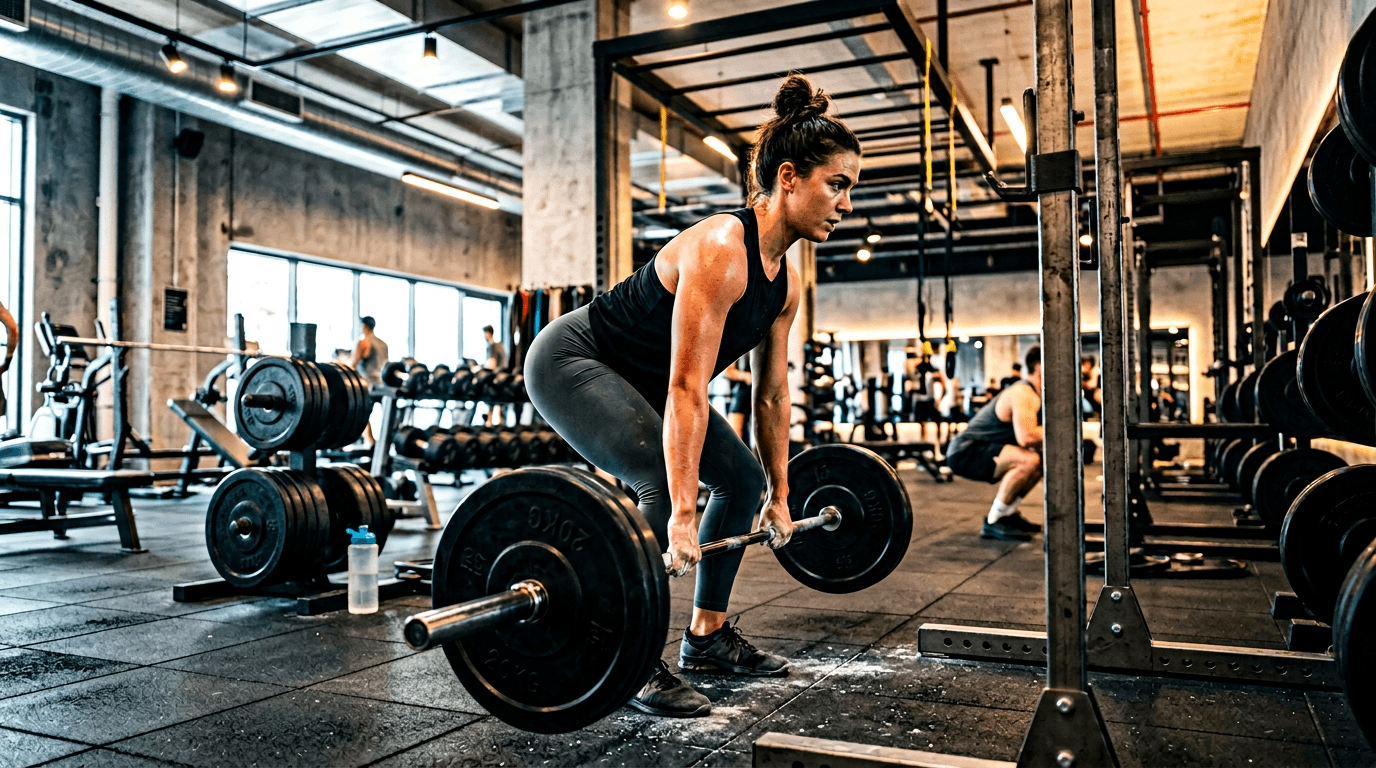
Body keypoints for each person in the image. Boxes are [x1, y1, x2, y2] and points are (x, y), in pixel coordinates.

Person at [524, 74, 859, 718]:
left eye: (850, 188)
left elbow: (773, 397)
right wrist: (680, 511)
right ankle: (621, 651)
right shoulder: (719, 250)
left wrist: (782, 496)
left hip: (646, 382)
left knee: (738, 476)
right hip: (576, 360)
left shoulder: (785, 283)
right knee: (657, 473)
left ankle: (705, 638)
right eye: (836, 184)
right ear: (789, 177)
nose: (846, 203)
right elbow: (685, 387)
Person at [944, 346, 1044, 541]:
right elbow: (1027, 437)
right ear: (1040, 367)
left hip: (981, 448)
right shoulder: (1024, 393)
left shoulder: (1036, 394)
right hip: (965, 451)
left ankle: (1006, 514)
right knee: (1029, 461)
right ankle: (993, 521)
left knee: (1040, 462)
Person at [351, 316, 389, 447]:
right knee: (387, 416)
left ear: (364, 326)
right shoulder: (383, 344)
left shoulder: (363, 342)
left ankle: (371, 442)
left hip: (368, 386)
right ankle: (385, 442)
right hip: (382, 385)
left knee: (360, 414)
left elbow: (353, 365)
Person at [905, 351, 940, 441]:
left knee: (937, 421)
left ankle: (937, 443)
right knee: (922, 422)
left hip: (929, 400)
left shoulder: (931, 371)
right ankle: (924, 441)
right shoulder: (916, 372)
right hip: (921, 401)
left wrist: (940, 399)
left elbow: (940, 381)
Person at [483, 325, 509, 426]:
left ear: (488, 334)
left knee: (490, 396)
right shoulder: (500, 345)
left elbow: (492, 364)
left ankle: (489, 422)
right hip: (503, 377)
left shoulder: (493, 346)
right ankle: (496, 421)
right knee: (498, 402)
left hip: (498, 378)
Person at [722, 357, 752, 440]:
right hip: (741, 394)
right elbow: (728, 371)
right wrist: (747, 376)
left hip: (757, 393)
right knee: (735, 434)